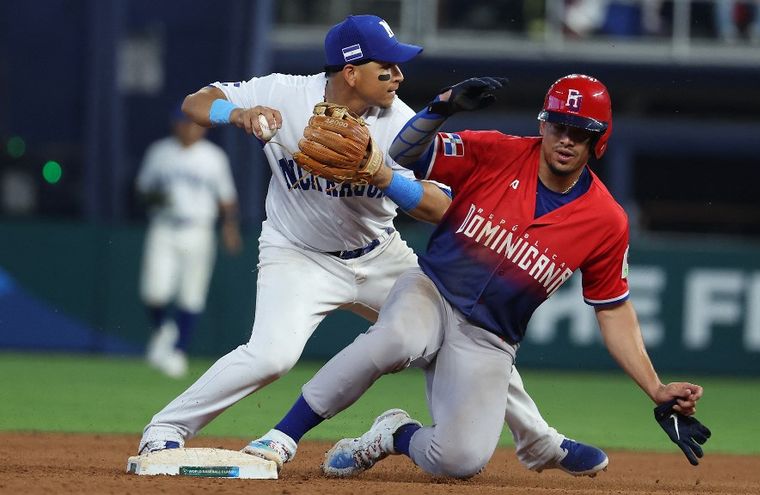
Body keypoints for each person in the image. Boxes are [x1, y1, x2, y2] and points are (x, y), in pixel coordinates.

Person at [137, 14, 602, 477]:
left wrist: (382, 175)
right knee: (271, 356)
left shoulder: (401, 124)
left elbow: (443, 206)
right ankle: (166, 427)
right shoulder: (285, 94)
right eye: (387, 66)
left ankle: (539, 441)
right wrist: (237, 113)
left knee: (465, 327)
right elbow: (196, 102)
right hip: (297, 253)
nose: (398, 75)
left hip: (379, 255)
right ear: (350, 72)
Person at [251, 74, 706, 479]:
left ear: (598, 141)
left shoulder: (606, 220)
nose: (566, 139)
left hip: (491, 336)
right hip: (432, 291)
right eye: (559, 126)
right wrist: (441, 108)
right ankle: (282, 437)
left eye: (580, 132)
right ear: (543, 125)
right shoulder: (498, 151)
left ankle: (394, 433)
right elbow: (404, 154)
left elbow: (613, 311)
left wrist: (655, 387)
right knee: (393, 340)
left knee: (460, 460)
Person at [136, 109, 241, 378]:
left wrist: (229, 227)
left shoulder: (213, 157)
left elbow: (226, 197)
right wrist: (156, 198)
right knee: (154, 292)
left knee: (192, 293)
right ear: (176, 125)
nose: (190, 129)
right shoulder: (160, 152)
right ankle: (163, 329)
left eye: (195, 124)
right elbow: (143, 189)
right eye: (185, 124)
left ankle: (179, 351)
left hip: (199, 228)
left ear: (203, 127)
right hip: (164, 226)